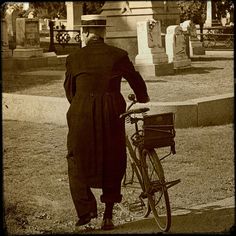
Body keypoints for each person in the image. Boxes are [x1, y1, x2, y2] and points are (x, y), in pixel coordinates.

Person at [64, 14, 150, 230]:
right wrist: (142, 97)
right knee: (112, 157)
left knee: (76, 157)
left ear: (84, 34)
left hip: (81, 112)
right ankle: (108, 215)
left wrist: (82, 104)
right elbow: (135, 79)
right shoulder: (118, 55)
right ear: (105, 33)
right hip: (112, 111)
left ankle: (86, 211)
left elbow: (69, 90)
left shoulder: (73, 57)